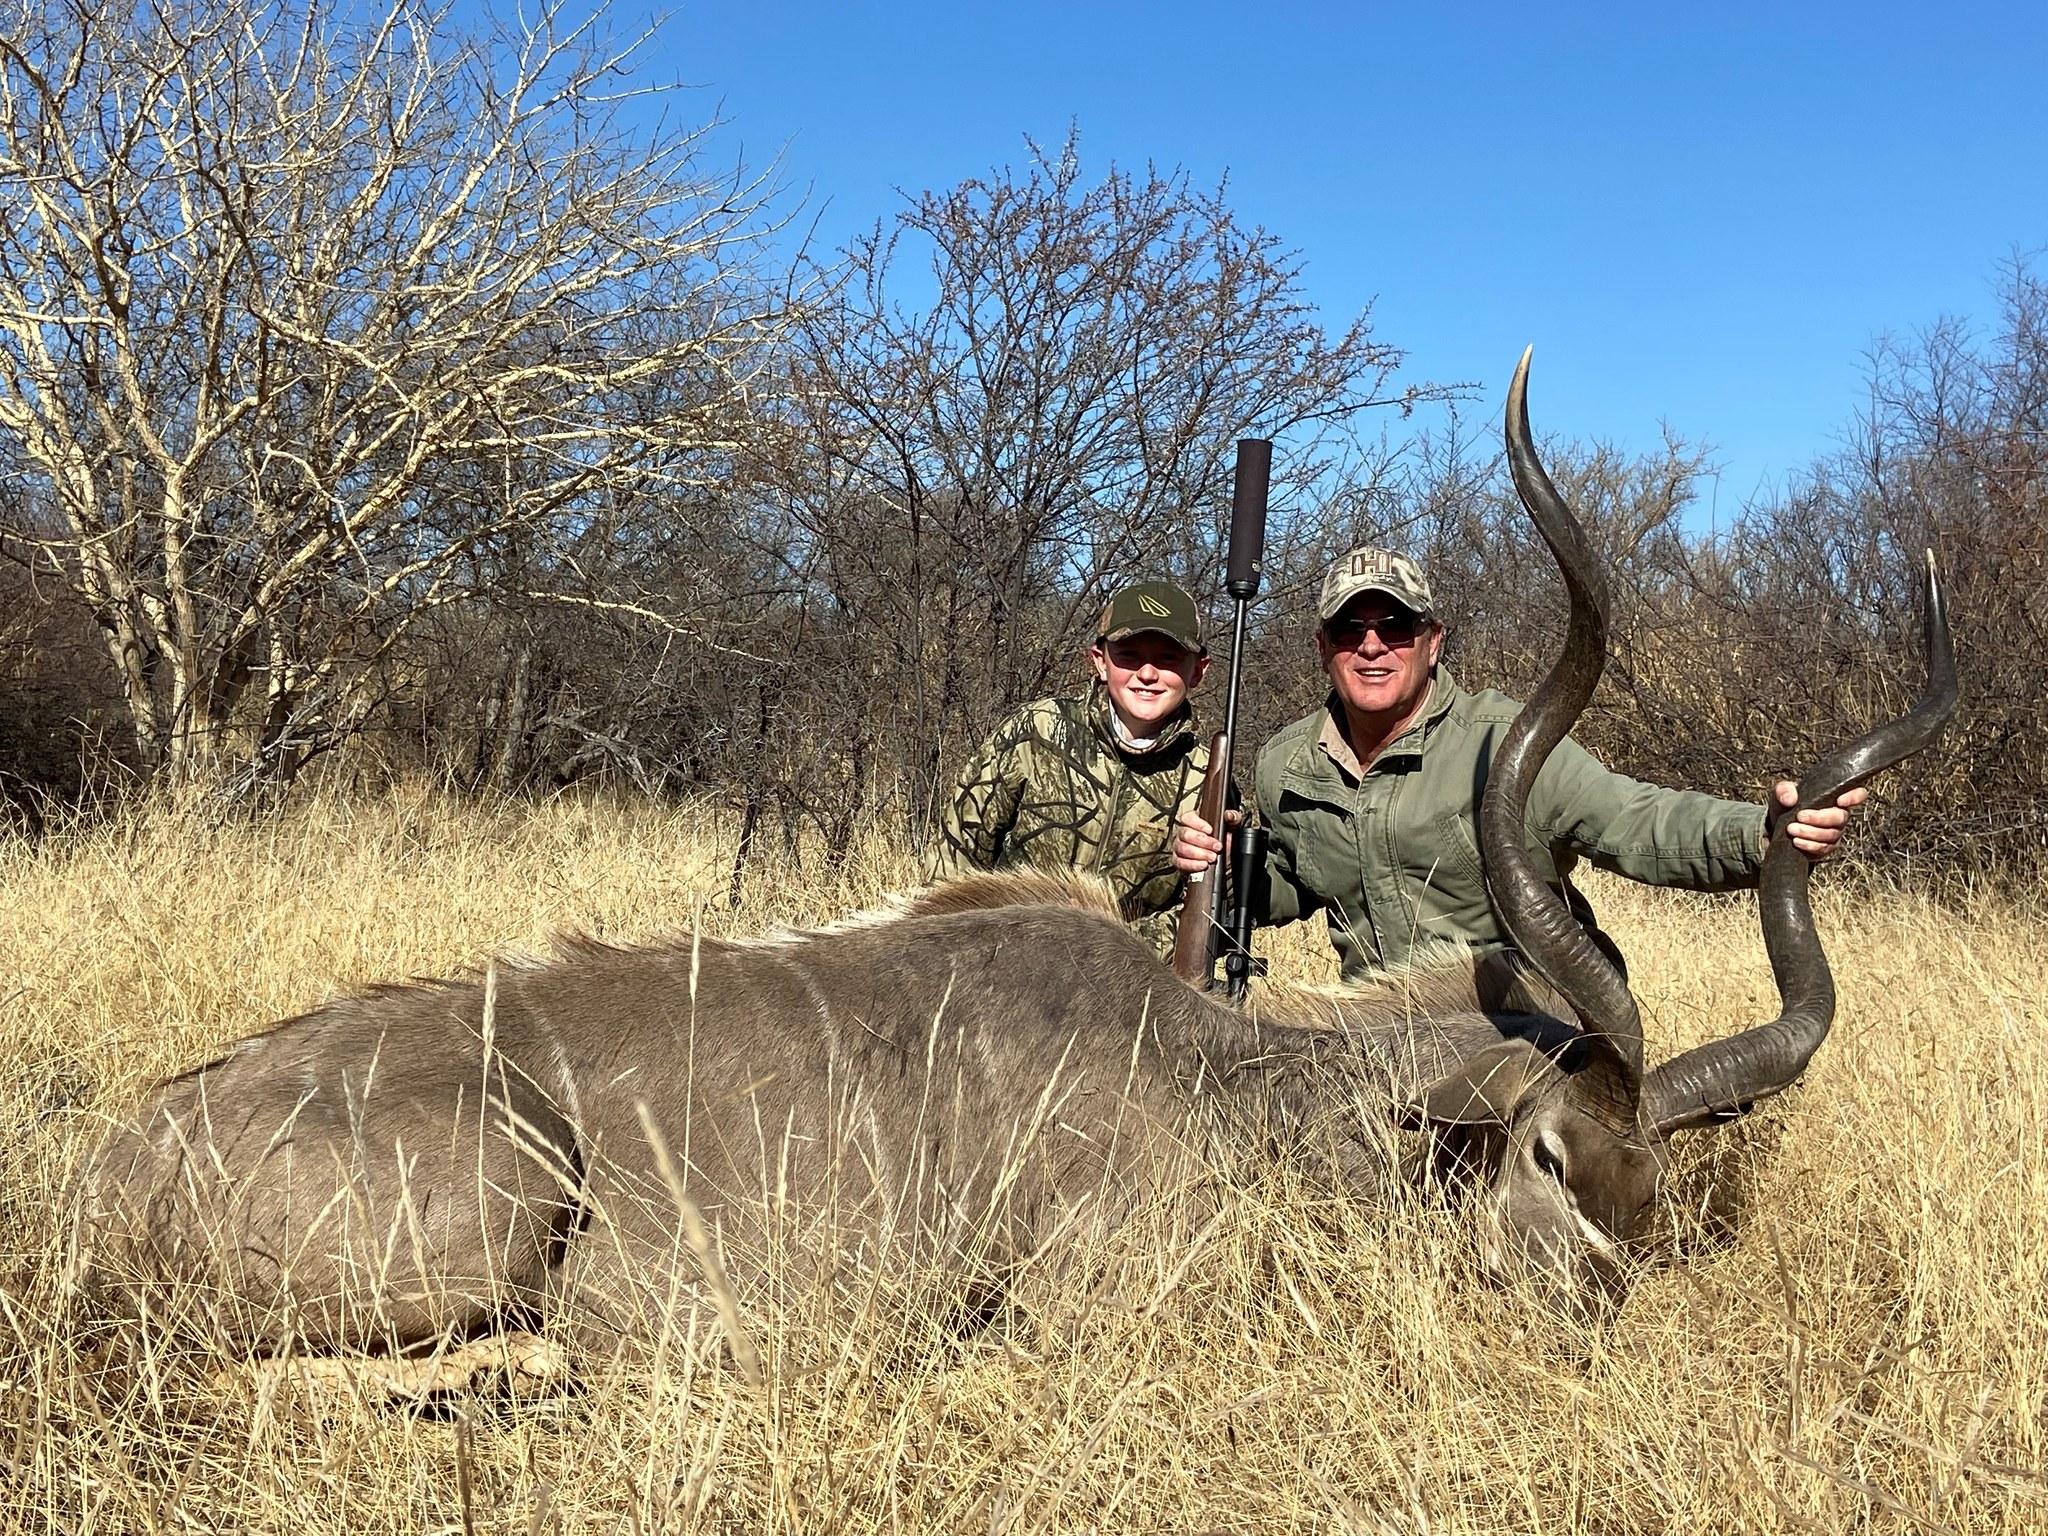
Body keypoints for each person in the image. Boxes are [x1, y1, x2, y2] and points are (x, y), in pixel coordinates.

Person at [1172, 545, 1865, 981]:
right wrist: (1220, 864)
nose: (1373, 646)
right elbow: (1292, 883)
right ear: (1323, 646)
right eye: (1352, 629)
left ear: (1433, 641)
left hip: (1526, 1017)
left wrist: (1760, 832)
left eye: (1396, 627)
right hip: (1382, 1035)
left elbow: (1633, 820)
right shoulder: (1286, 764)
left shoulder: (1508, 740)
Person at [934, 580, 1213, 956]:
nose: (1147, 674)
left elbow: (1209, 914)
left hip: (1125, 982)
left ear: (1198, 671)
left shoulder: (1207, 777)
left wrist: (1109, 955)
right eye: (1129, 655)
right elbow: (955, 859)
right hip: (1002, 963)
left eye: (1168, 659)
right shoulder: (1036, 731)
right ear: (1099, 660)